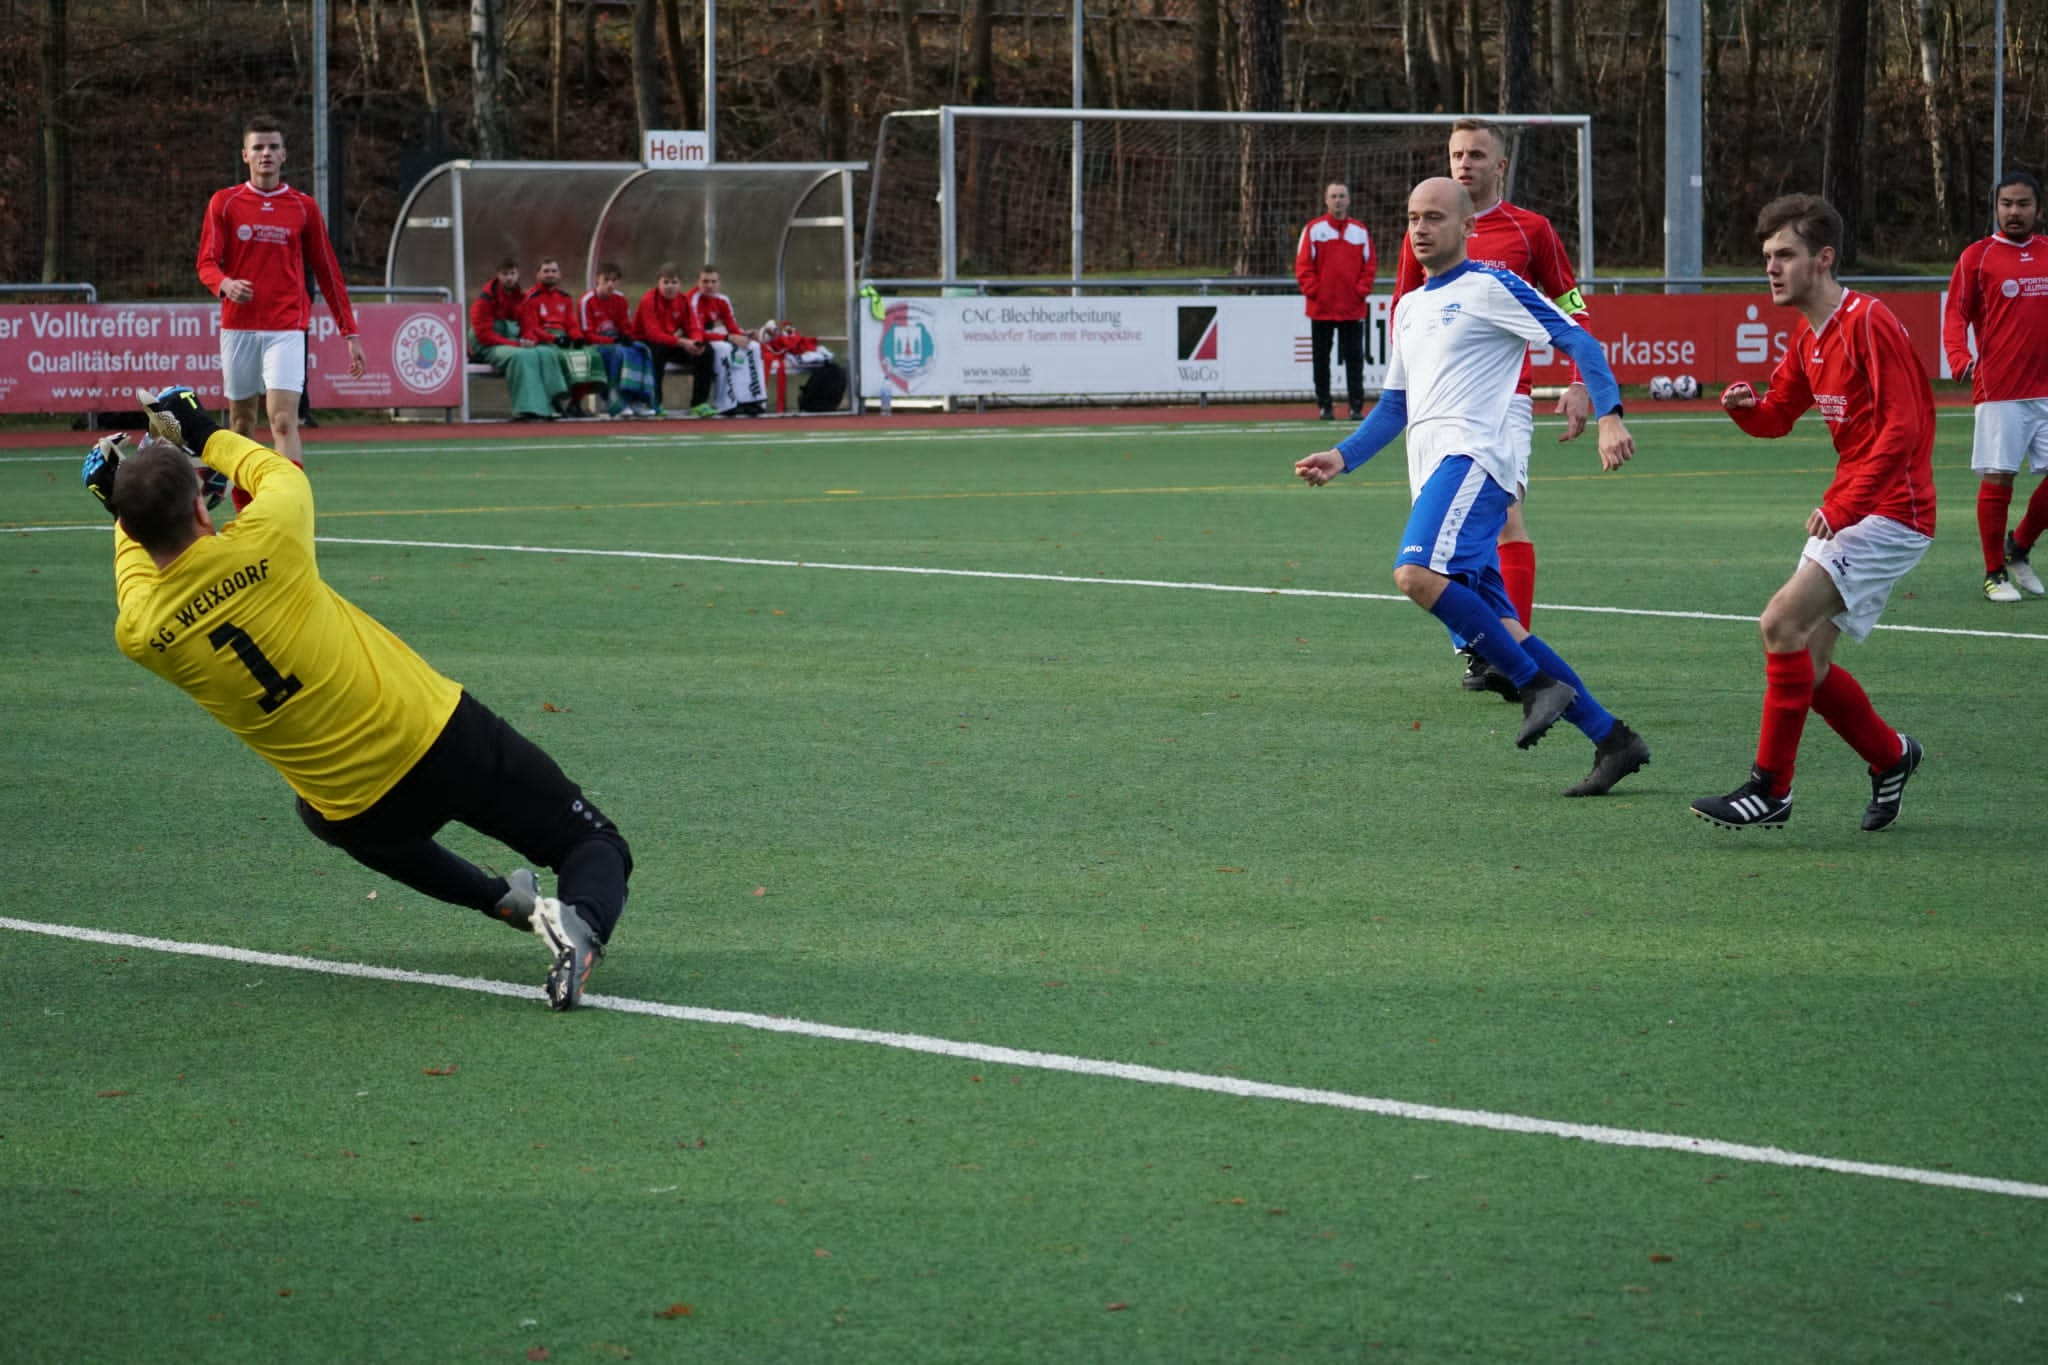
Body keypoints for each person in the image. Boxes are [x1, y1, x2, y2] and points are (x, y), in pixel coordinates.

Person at [81, 386, 630, 1008]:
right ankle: (580, 926)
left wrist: (123, 508)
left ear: (132, 528)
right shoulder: (273, 535)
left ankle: (499, 898)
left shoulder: (143, 633)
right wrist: (198, 430)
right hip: (435, 735)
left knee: (320, 813)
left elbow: (138, 569)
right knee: (592, 843)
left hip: (360, 808)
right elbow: (269, 469)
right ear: (203, 512)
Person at [1293, 178, 1650, 799]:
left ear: (1466, 227)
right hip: (1433, 471)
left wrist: (1610, 410)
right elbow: (1394, 406)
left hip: (1476, 461)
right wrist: (1342, 457)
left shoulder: (1492, 284)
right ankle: (1613, 739)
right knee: (1506, 627)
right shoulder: (1407, 308)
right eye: (1412, 218)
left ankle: (1535, 687)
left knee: (1414, 573)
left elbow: (1579, 338)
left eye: (1434, 217)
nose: (1421, 229)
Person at [1691, 194, 1935, 832]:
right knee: (1810, 662)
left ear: (1823, 259)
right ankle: (1890, 756)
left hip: (1893, 513)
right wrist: (1747, 408)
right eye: (1767, 256)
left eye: (1785, 255)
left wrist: (1846, 503)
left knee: (1779, 623)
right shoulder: (1809, 336)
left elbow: (1904, 429)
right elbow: (1778, 416)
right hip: (1859, 509)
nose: (1771, 268)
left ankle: (1770, 789)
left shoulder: (1869, 322)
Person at [1393, 119, 1596, 698]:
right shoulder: (1429, 228)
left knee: (1504, 516)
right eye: (1457, 153)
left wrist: (1580, 382)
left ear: (1500, 165)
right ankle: (1486, 647)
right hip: (1440, 406)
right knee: (1452, 539)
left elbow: (1571, 306)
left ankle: (1511, 652)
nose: (1465, 163)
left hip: (1505, 400)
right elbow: (1404, 307)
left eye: (1477, 154)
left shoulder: (1531, 230)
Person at [195, 114, 367, 504]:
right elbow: (206, 261)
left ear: (284, 154)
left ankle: (289, 511)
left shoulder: (303, 207)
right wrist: (224, 284)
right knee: (240, 424)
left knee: (284, 420)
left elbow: (328, 272)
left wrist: (350, 333)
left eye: (273, 146)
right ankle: (247, 519)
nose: (266, 153)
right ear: (245, 155)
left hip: (287, 328)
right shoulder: (225, 203)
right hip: (238, 328)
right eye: (258, 147)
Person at [1942, 171, 2048, 602]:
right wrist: (1957, 357)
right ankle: (1994, 573)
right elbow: (1955, 316)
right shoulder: (1977, 257)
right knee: (1999, 478)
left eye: (2023, 204)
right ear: (1996, 207)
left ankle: (2018, 546)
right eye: (2007, 203)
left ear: (2038, 209)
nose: (2014, 211)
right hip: (2000, 388)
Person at [1293, 182, 1375, 422]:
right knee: (1321, 360)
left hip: (1352, 308)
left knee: (1355, 360)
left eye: (1342, 196)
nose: (1338, 200)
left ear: (1349, 200)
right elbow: (1303, 266)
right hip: (1321, 309)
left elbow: (1369, 267)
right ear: (1326, 200)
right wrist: (1316, 292)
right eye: (1333, 196)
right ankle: (1324, 406)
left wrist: (1360, 291)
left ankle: (1356, 406)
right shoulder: (1314, 230)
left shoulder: (1360, 232)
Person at [468, 259, 573, 421]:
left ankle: (552, 401)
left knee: (546, 352)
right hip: (487, 345)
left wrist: (529, 340)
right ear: (498, 276)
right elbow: (484, 336)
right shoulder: (485, 300)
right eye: (505, 274)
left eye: (512, 274)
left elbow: (527, 324)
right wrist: (517, 344)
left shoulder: (520, 297)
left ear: (518, 275)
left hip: (510, 340)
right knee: (522, 356)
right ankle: (527, 410)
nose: (509, 278)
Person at [517, 256, 602, 416]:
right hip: (544, 340)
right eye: (546, 271)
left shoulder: (565, 297)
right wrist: (554, 339)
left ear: (559, 274)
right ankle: (553, 399)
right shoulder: (530, 298)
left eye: (554, 271)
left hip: (564, 338)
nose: (550, 274)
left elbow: (571, 324)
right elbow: (532, 327)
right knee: (557, 357)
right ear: (538, 275)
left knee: (590, 356)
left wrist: (576, 337)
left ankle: (575, 402)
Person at [686, 265, 769, 417]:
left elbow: (732, 326)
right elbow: (696, 332)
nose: (709, 286)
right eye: (705, 281)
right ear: (698, 283)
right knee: (724, 349)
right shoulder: (692, 299)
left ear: (719, 283)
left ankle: (753, 399)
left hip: (715, 337)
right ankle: (725, 402)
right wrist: (728, 337)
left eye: (713, 282)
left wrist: (745, 335)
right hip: (695, 339)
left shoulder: (722, 300)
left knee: (753, 347)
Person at [579, 263, 660, 418]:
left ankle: (638, 399)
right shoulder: (587, 300)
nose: (610, 284)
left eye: (614, 280)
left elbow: (625, 326)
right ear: (598, 280)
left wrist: (626, 336)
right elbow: (587, 335)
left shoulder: (621, 299)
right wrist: (612, 340)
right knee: (618, 353)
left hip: (616, 342)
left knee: (642, 350)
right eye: (606, 280)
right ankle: (616, 401)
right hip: (596, 345)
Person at [631, 263, 712, 417]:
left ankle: (699, 403)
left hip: (670, 341)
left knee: (706, 351)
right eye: (666, 282)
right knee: (658, 350)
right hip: (644, 343)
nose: (670, 287)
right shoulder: (649, 300)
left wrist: (696, 342)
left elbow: (693, 326)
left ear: (680, 284)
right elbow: (653, 334)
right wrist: (683, 342)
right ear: (658, 284)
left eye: (674, 282)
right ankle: (655, 403)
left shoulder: (683, 301)